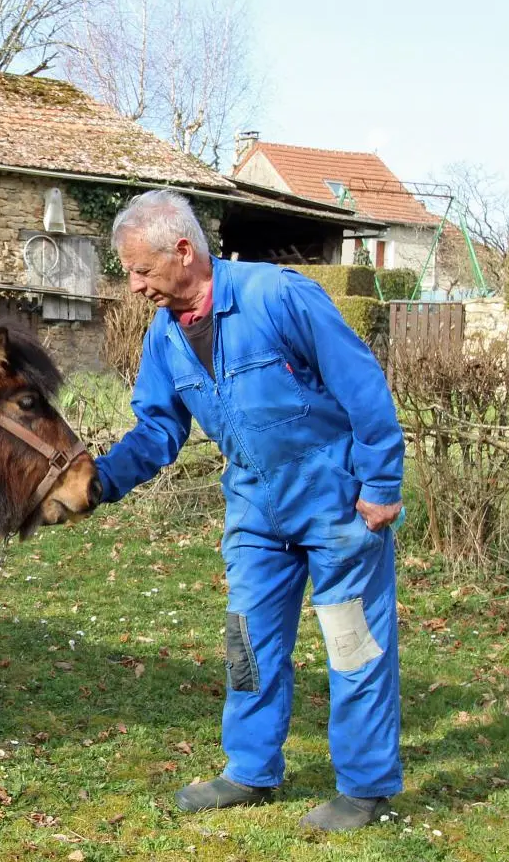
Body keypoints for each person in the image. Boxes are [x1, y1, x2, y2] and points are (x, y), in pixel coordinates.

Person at [94, 190, 405, 832]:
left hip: (336, 503)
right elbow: (157, 429)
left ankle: (366, 785)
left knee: (351, 643)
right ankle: (250, 770)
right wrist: (98, 483)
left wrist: (379, 481)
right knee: (250, 641)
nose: (134, 286)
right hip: (255, 510)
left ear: (184, 252)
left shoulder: (276, 296)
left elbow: (362, 383)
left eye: (141, 270)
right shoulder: (165, 337)